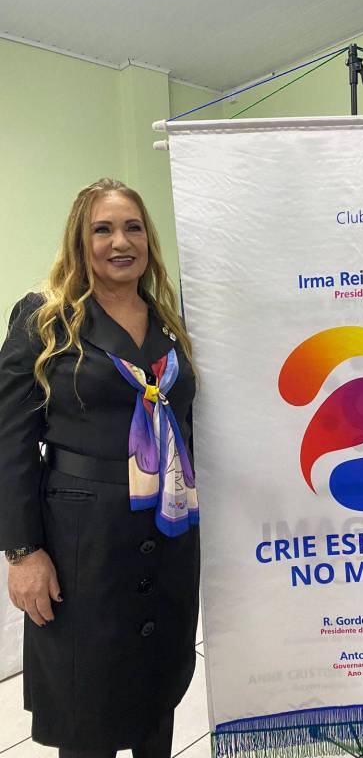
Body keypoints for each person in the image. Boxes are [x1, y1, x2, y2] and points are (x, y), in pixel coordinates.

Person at [0, 179, 200, 758]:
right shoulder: (45, 319)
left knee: (156, 687)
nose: (120, 242)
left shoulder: (168, 323)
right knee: (88, 701)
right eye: (103, 229)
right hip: (82, 540)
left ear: (148, 240)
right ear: (79, 241)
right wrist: (22, 552)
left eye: (133, 228)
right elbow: (10, 442)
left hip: (167, 528)